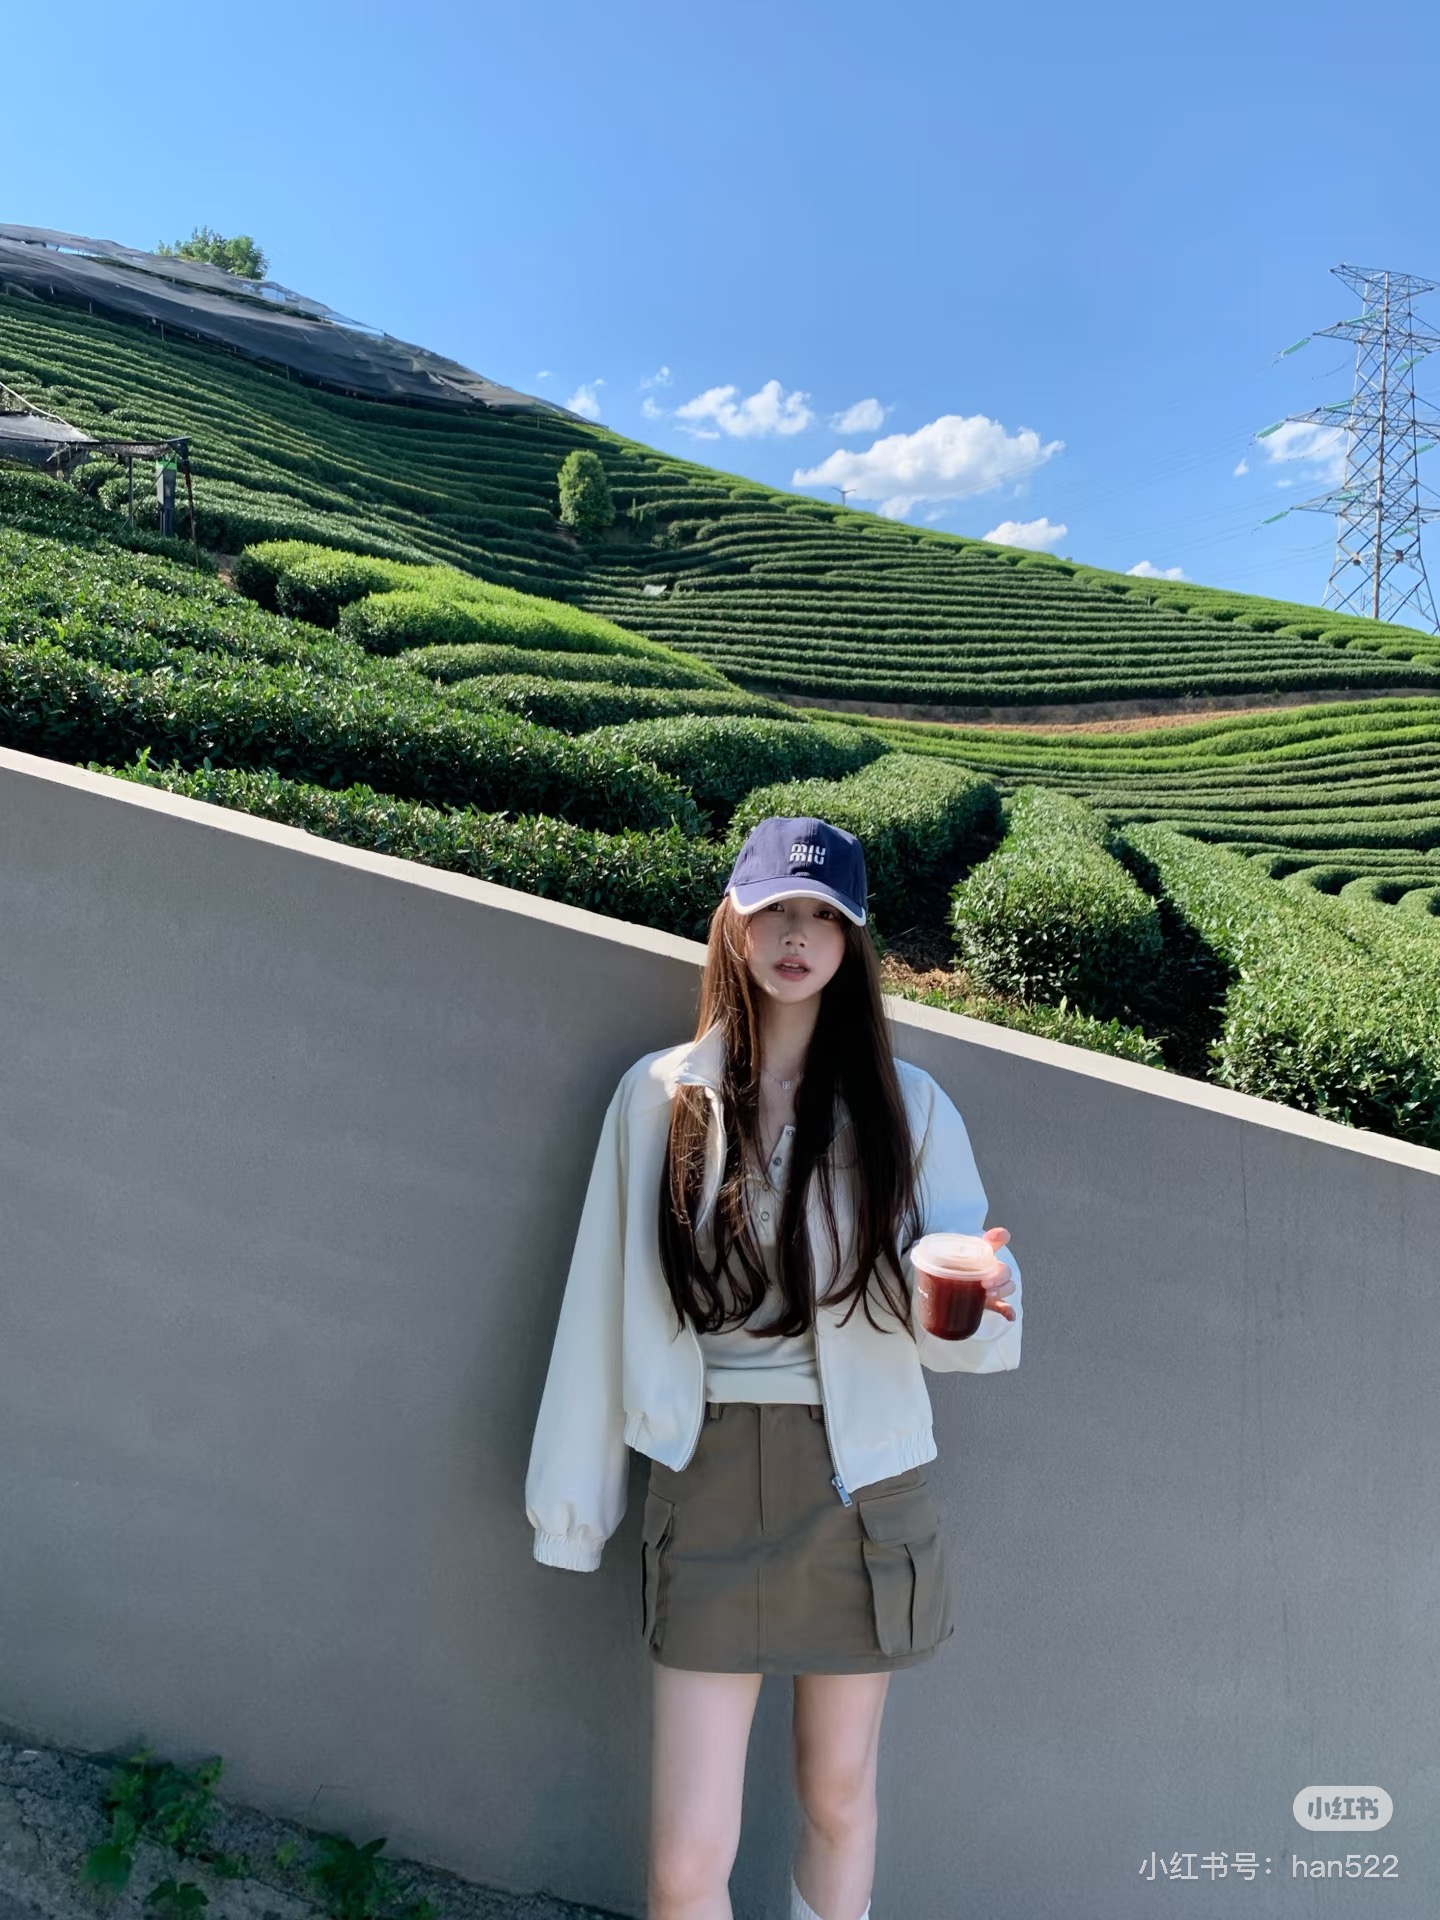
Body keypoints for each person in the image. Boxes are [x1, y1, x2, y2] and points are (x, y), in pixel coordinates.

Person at [525, 815, 1023, 1920]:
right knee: (684, 1859)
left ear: (852, 941)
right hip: (705, 1481)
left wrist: (976, 1302)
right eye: (773, 912)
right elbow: (598, 1308)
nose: (797, 936)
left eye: (823, 916)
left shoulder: (909, 1106)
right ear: (733, 927)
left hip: (861, 1484)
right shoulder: (661, 1095)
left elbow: (974, 1309)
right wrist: (572, 1512)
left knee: (837, 1796)